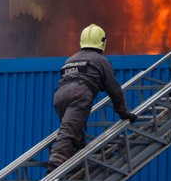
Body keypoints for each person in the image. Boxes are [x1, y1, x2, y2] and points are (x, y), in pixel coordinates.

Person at [48, 24, 138, 170]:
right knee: (69, 130)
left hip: (60, 96)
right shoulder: (101, 60)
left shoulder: (70, 59)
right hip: (79, 94)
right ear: (102, 41)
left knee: (74, 129)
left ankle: (75, 163)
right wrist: (123, 112)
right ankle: (56, 161)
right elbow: (114, 89)